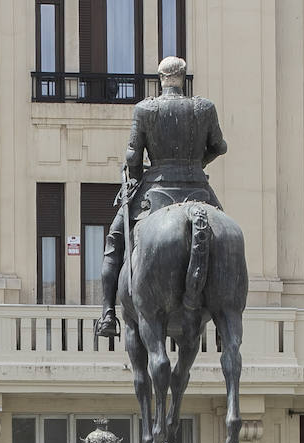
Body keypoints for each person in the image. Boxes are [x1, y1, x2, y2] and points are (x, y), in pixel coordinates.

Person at [95, 55, 227, 338]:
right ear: (183, 77)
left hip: (155, 192)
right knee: (224, 237)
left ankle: (107, 313)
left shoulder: (145, 109)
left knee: (114, 241)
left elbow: (133, 154)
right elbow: (220, 146)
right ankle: (224, 311)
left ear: (161, 78)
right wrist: (199, 164)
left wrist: (132, 173)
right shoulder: (204, 108)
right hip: (198, 188)